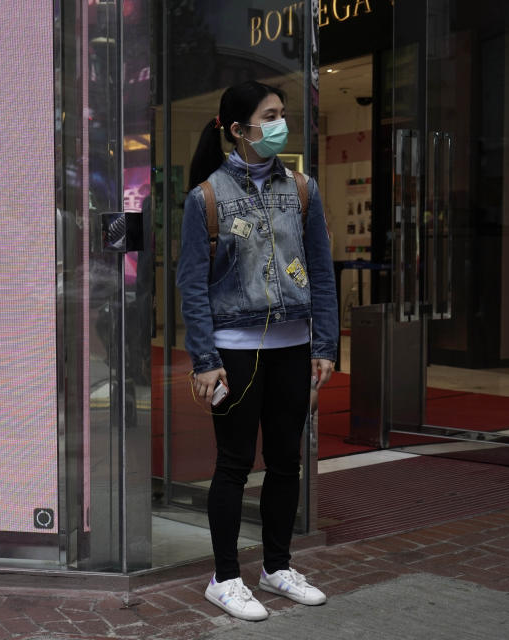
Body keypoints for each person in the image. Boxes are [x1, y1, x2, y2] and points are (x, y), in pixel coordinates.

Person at [176, 80, 338, 622]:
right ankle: (224, 578)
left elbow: (321, 272)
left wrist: (324, 343)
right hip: (234, 351)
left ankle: (276, 567)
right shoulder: (206, 197)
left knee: (287, 462)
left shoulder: (303, 189)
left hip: (294, 348)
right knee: (233, 465)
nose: (279, 125)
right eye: (269, 116)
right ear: (238, 129)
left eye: (282, 115)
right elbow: (192, 285)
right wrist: (204, 359)